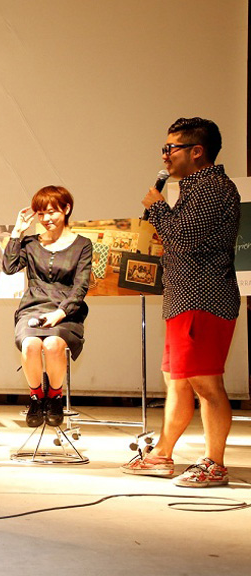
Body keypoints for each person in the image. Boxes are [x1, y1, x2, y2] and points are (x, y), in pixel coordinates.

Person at [123, 117, 240, 487]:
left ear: (197, 151)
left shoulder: (212, 187)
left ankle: (215, 463)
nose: (165, 155)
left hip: (204, 299)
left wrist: (158, 207)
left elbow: (185, 238)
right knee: (176, 381)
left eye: (170, 148)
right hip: (183, 298)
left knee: (207, 384)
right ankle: (161, 454)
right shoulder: (194, 188)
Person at [2, 186, 92, 428]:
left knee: (52, 345)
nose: (46, 218)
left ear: (66, 209)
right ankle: (35, 398)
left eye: (51, 212)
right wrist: (17, 232)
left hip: (66, 310)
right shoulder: (31, 242)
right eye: (41, 214)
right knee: (30, 345)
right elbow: (9, 268)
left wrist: (60, 313)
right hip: (32, 307)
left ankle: (54, 398)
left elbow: (81, 286)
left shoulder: (82, 245)